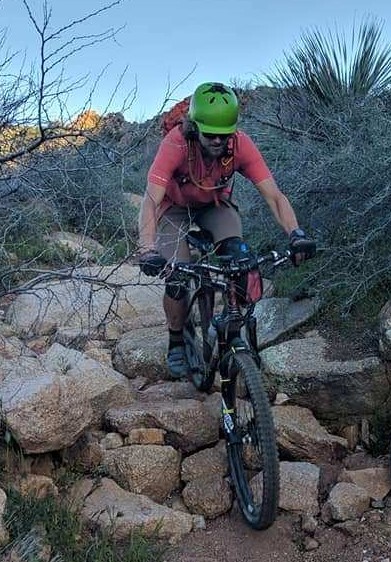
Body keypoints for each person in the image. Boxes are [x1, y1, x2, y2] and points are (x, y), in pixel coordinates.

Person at [137, 82, 316, 378]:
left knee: (240, 260)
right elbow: (150, 199)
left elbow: (274, 196)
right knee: (177, 277)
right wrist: (147, 248)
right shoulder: (176, 143)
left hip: (214, 205)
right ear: (194, 127)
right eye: (211, 135)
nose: (219, 141)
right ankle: (177, 340)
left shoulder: (240, 144)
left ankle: (233, 331)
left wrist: (296, 234)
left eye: (225, 135)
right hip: (174, 208)